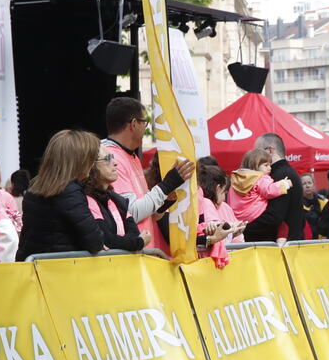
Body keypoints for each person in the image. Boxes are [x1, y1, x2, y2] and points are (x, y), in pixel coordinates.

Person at [102, 96, 194, 252]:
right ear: (134, 124)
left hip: (144, 252)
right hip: (132, 254)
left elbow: (144, 211)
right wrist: (167, 185)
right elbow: (131, 213)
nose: (145, 129)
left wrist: (163, 202)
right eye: (144, 123)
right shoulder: (111, 158)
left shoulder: (131, 156)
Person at [17, 130, 111, 260]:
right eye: (91, 158)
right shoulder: (70, 192)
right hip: (61, 268)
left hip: (33, 266)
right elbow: (94, 241)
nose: (92, 163)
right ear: (79, 160)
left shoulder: (35, 186)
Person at [82, 142, 145, 252]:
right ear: (91, 166)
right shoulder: (86, 199)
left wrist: (133, 242)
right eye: (107, 158)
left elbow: (134, 234)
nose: (115, 163)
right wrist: (138, 242)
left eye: (113, 157)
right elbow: (107, 240)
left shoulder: (118, 200)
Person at [250, 132, 305, 242]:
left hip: (280, 245)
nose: (254, 156)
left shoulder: (280, 175)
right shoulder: (286, 172)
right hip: (289, 242)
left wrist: (245, 229)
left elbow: (274, 217)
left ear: (270, 151)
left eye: (257, 152)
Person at [228, 148, 293, 242]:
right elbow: (269, 191)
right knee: (283, 226)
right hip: (255, 215)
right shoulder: (261, 177)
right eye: (266, 165)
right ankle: (281, 246)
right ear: (254, 165)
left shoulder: (235, 181)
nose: (270, 168)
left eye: (270, 164)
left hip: (238, 218)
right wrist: (285, 184)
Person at [196, 160, 244, 263]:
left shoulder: (223, 207)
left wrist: (233, 233)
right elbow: (218, 236)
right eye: (224, 192)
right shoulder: (206, 203)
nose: (224, 198)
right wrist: (232, 232)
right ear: (218, 188)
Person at [300, 171, 329, 239]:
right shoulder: (298, 205)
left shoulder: (324, 202)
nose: (307, 186)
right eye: (304, 184)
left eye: (309, 183)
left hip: (323, 239)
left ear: (314, 185)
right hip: (305, 240)